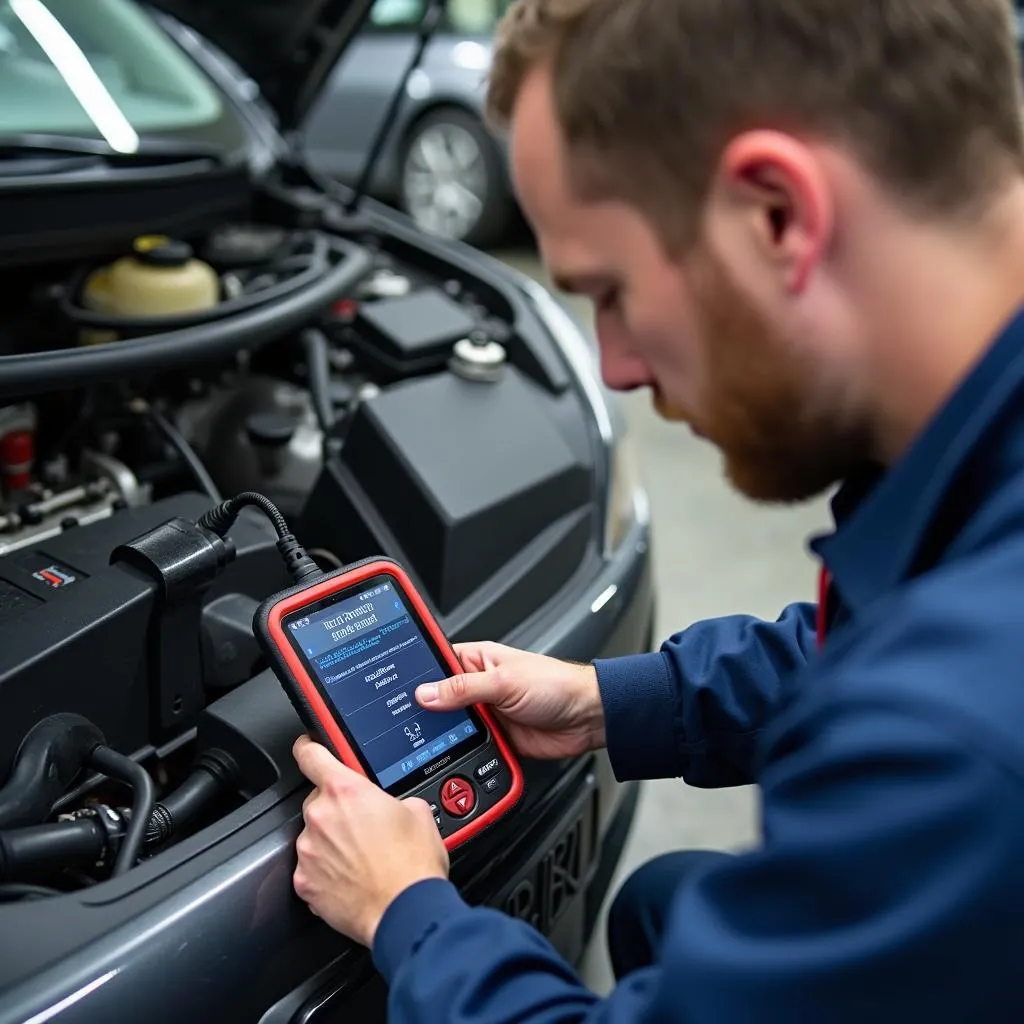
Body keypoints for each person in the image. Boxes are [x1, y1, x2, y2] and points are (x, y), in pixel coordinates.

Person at [289, 0, 1024, 1019]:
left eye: (613, 290)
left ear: (777, 214)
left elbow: (920, 703)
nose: (615, 367)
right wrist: (612, 701)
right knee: (663, 907)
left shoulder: (952, 736)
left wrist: (408, 912)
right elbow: (869, 645)